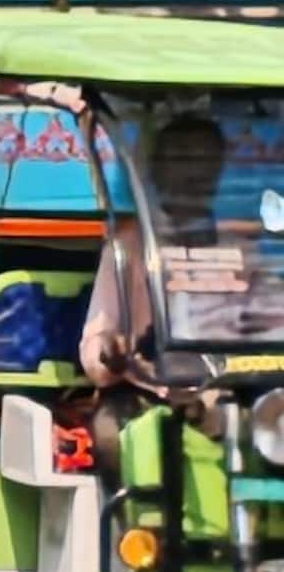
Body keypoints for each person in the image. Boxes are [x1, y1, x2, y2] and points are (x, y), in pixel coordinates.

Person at [81, 114, 228, 393]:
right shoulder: (129, 244)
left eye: (205, 161)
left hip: (227, 390)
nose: (195, 174)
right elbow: (96, 341)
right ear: (157, 172)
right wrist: (110, 352)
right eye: (183, 160)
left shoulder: (238, 244)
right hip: (147, 388)